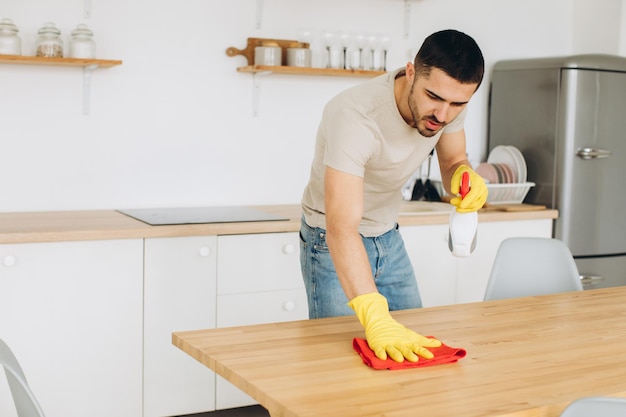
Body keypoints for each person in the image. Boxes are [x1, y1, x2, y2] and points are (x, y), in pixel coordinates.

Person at [299, 29, 488, 363]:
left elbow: (452, 160)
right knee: (341, 364)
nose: (443, 116)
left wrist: (464, 175)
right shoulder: (355, 116)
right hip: (330, 241)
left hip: (388, 236)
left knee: (416, 351)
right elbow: (341, 226)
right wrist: (373, 313)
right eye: (433, 97)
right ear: (411, 72)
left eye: (458, 104)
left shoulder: (448, 105)